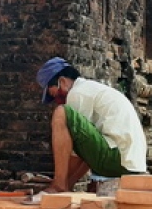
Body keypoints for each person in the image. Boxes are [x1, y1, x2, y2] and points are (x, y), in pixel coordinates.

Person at [31, 57, 146, 198]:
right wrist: (69, 184)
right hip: (129, 164)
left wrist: (57, 183)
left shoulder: (77, 93)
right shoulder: (90, 89)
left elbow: (75, 154)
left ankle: (59, 186)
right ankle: (62, 185)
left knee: (61, 113)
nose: (55, 99)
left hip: (119, 159)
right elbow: (85, 152)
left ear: (62, 81)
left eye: (52, 92)